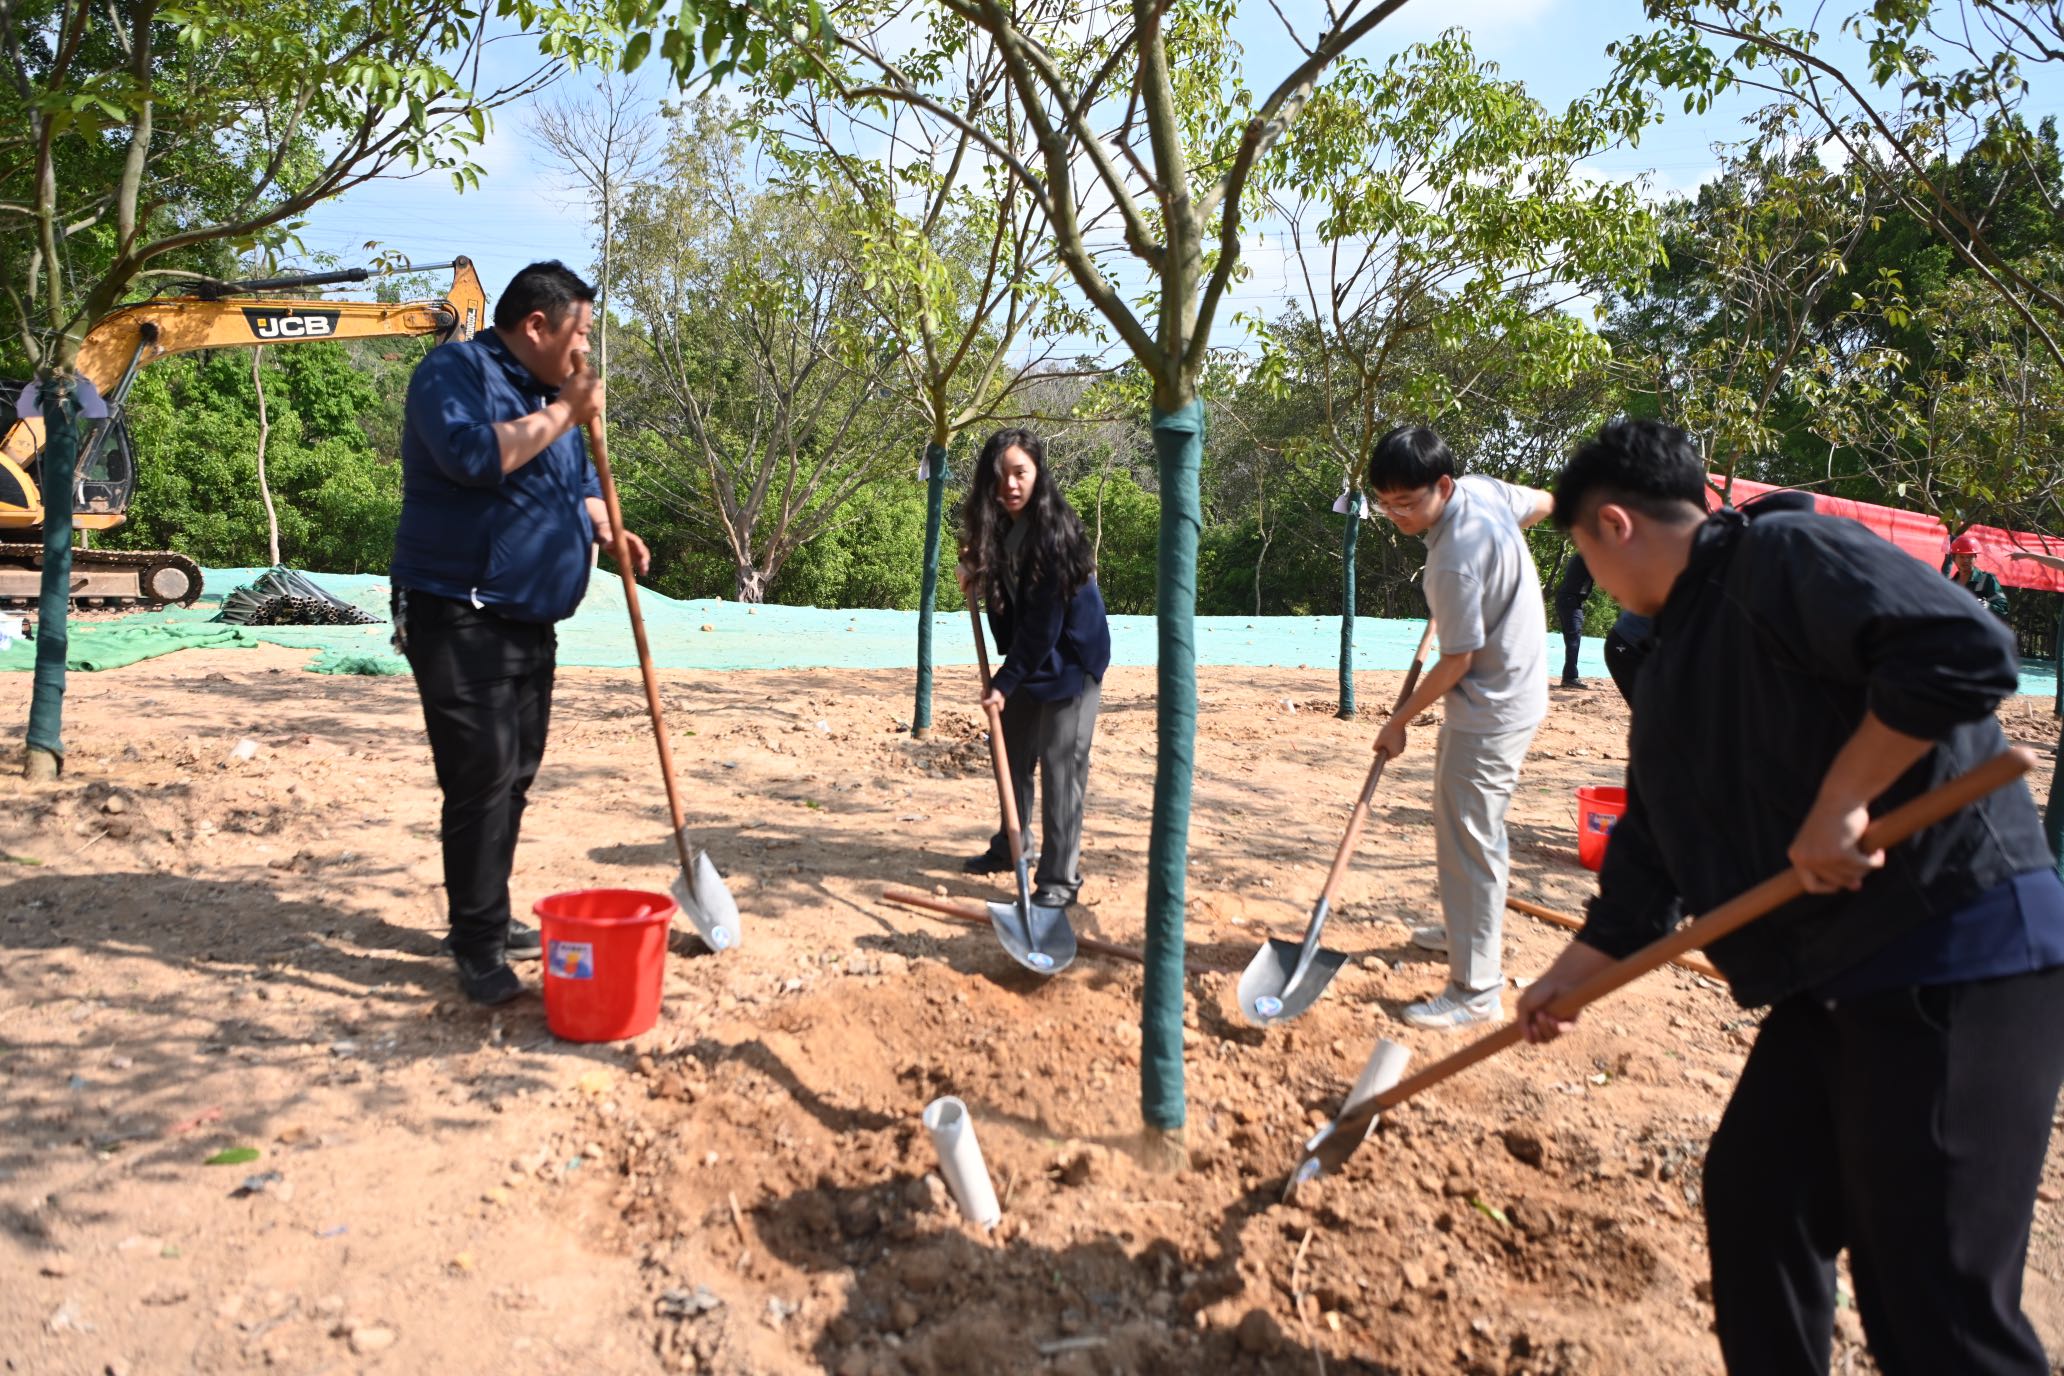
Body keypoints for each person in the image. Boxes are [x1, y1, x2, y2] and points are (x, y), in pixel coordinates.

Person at [1517, 418, 2064, 1376]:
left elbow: (1964, 649)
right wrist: (1567, 978)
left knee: (1933, 1307)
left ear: (1612, 525)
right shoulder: (1669, 653)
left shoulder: (1785, 551)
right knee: (1759, 1199)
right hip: (1834, 979)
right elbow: (1650, 850)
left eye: (1584, 561)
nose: (1594, 587)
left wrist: (1845, 797)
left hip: (1958, 952)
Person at [391, 261, 650, 1006]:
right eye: (581, 333)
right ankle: (475, 945)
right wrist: (568, 410)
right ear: (537, 324)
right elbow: (474, 459)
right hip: (457, 606)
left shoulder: (547, 395)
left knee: (517, 774)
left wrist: (609, 533)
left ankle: (489, 917)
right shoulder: (455, 371)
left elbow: (576, 489)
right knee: (481, 776)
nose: (585, 352)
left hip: (531, 617)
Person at [1366, 424, 1552, 1029]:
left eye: (1407, 502)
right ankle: (1462, 929)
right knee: (1460, 825)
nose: (1395, 515)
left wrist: (1399, 720)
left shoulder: (1451, 563)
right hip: (1513, 686)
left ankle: (1475, 988)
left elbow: (1457, 660)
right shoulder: (1482, 493)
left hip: (1490, 707)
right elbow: (1543, 502)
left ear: (1442, 485)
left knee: (1471, 836)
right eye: (1384, 501)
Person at [956, 428, 1112, 909]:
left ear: (1038, 474)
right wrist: (977, 573)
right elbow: (1010, 604)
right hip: (1032, 658)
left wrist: (1003, 682)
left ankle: (1059, 882)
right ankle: (1013, 845)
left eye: (1020, 472)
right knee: (1015, 753)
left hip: (1071, 662)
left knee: (1062, 771)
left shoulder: (1054, 533)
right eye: (1001, 475)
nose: (1011, 484)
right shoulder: (999, 526)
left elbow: (1044, 626)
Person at [1554, 551, 1593, 689]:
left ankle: (1569, 676)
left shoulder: (1583, 554)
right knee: (1573, 640)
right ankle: (1570, 677)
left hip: (1568, 599)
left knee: (1572, 639)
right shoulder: (1589, 554)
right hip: (1571, 600)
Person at [1948, 532, 2011, 618]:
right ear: (1954, 559)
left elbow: (2002, 607)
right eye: (1961, 557)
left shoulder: (1986, 579)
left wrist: (1988, 606)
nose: (1966, 560)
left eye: (1970, 556)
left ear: (1975, 558)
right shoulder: (1950, 584)